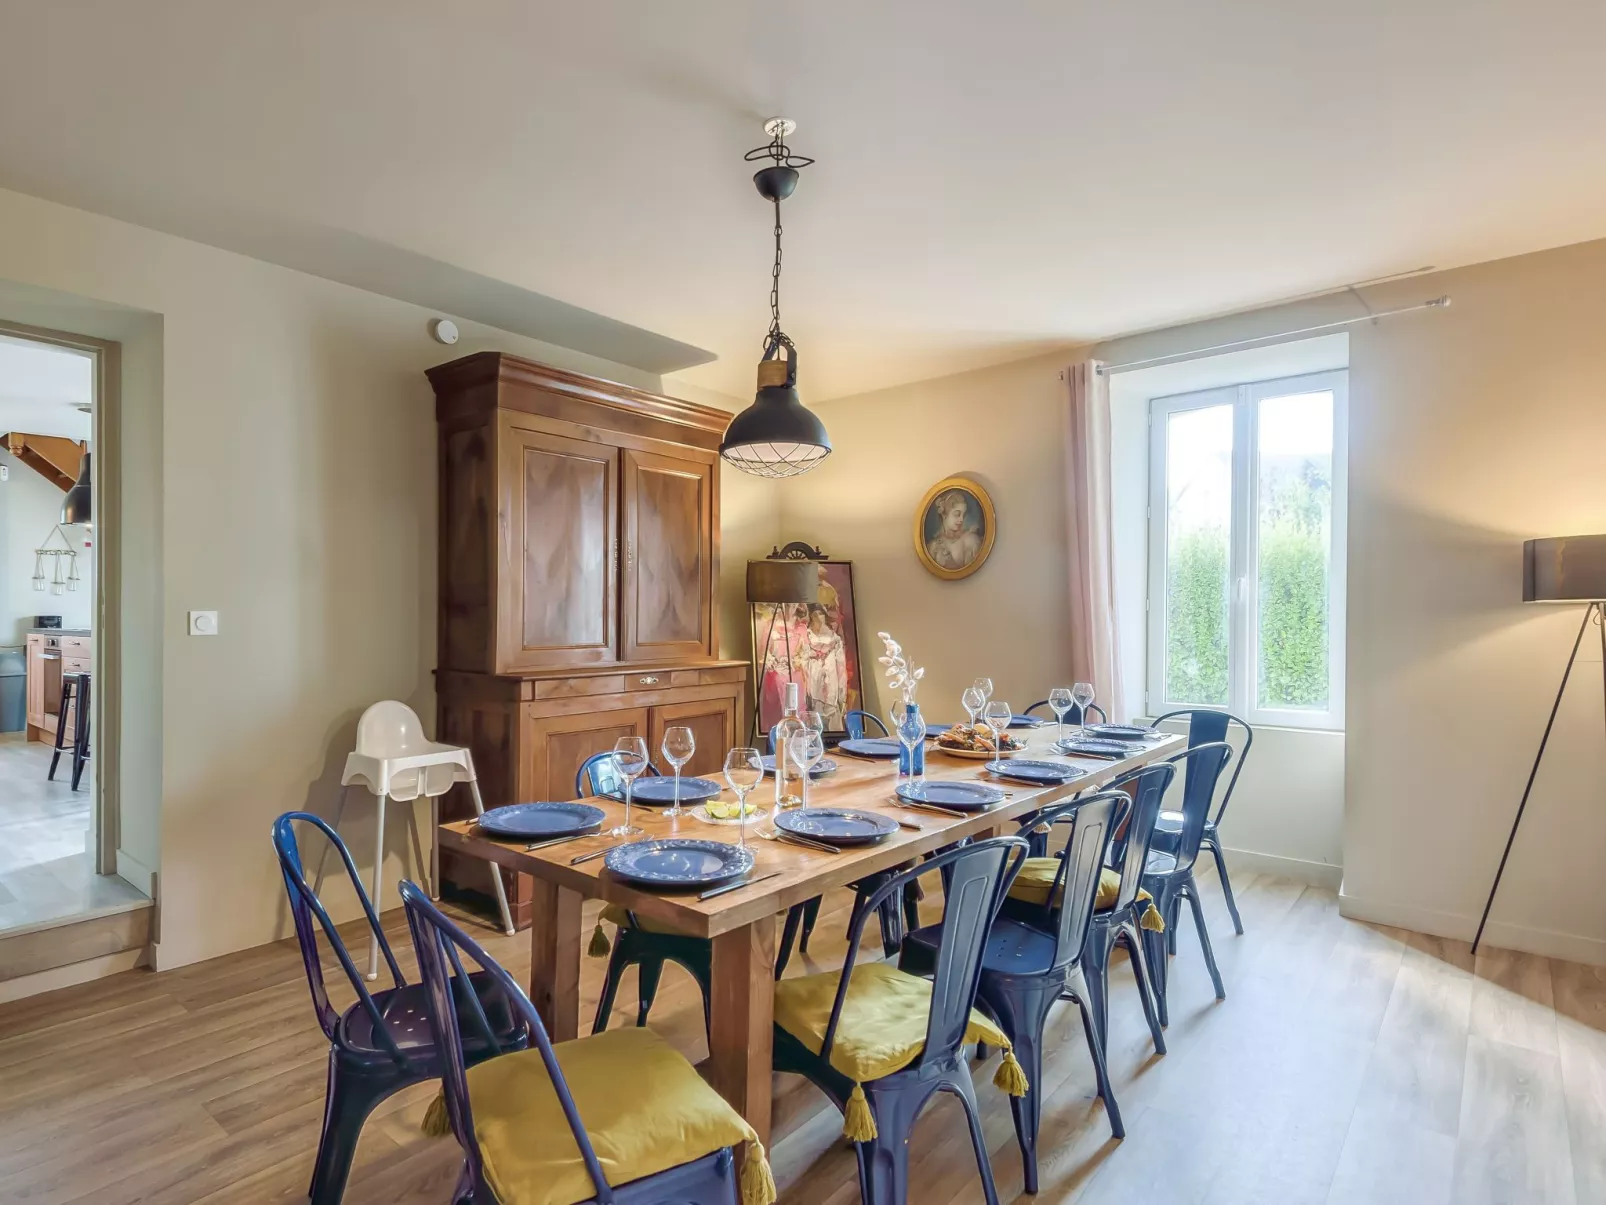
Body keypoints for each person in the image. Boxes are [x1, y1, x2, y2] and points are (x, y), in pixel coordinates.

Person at [800, 604, 847, 730]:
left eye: (820, 614)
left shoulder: (834, 639)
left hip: (831, 680)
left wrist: (842, 693)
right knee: (816, 712)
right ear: (811, 617)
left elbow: (841, 667)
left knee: (831, 710)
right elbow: (802, 662)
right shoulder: (807, 637)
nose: (818, 617)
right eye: (815, 614)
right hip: (814, 680)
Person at [926, 489, 982, 570]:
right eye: (957, 514)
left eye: (963, 515)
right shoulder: (933, 546)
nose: (961, 519)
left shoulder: (971, 540)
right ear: (944, 515)